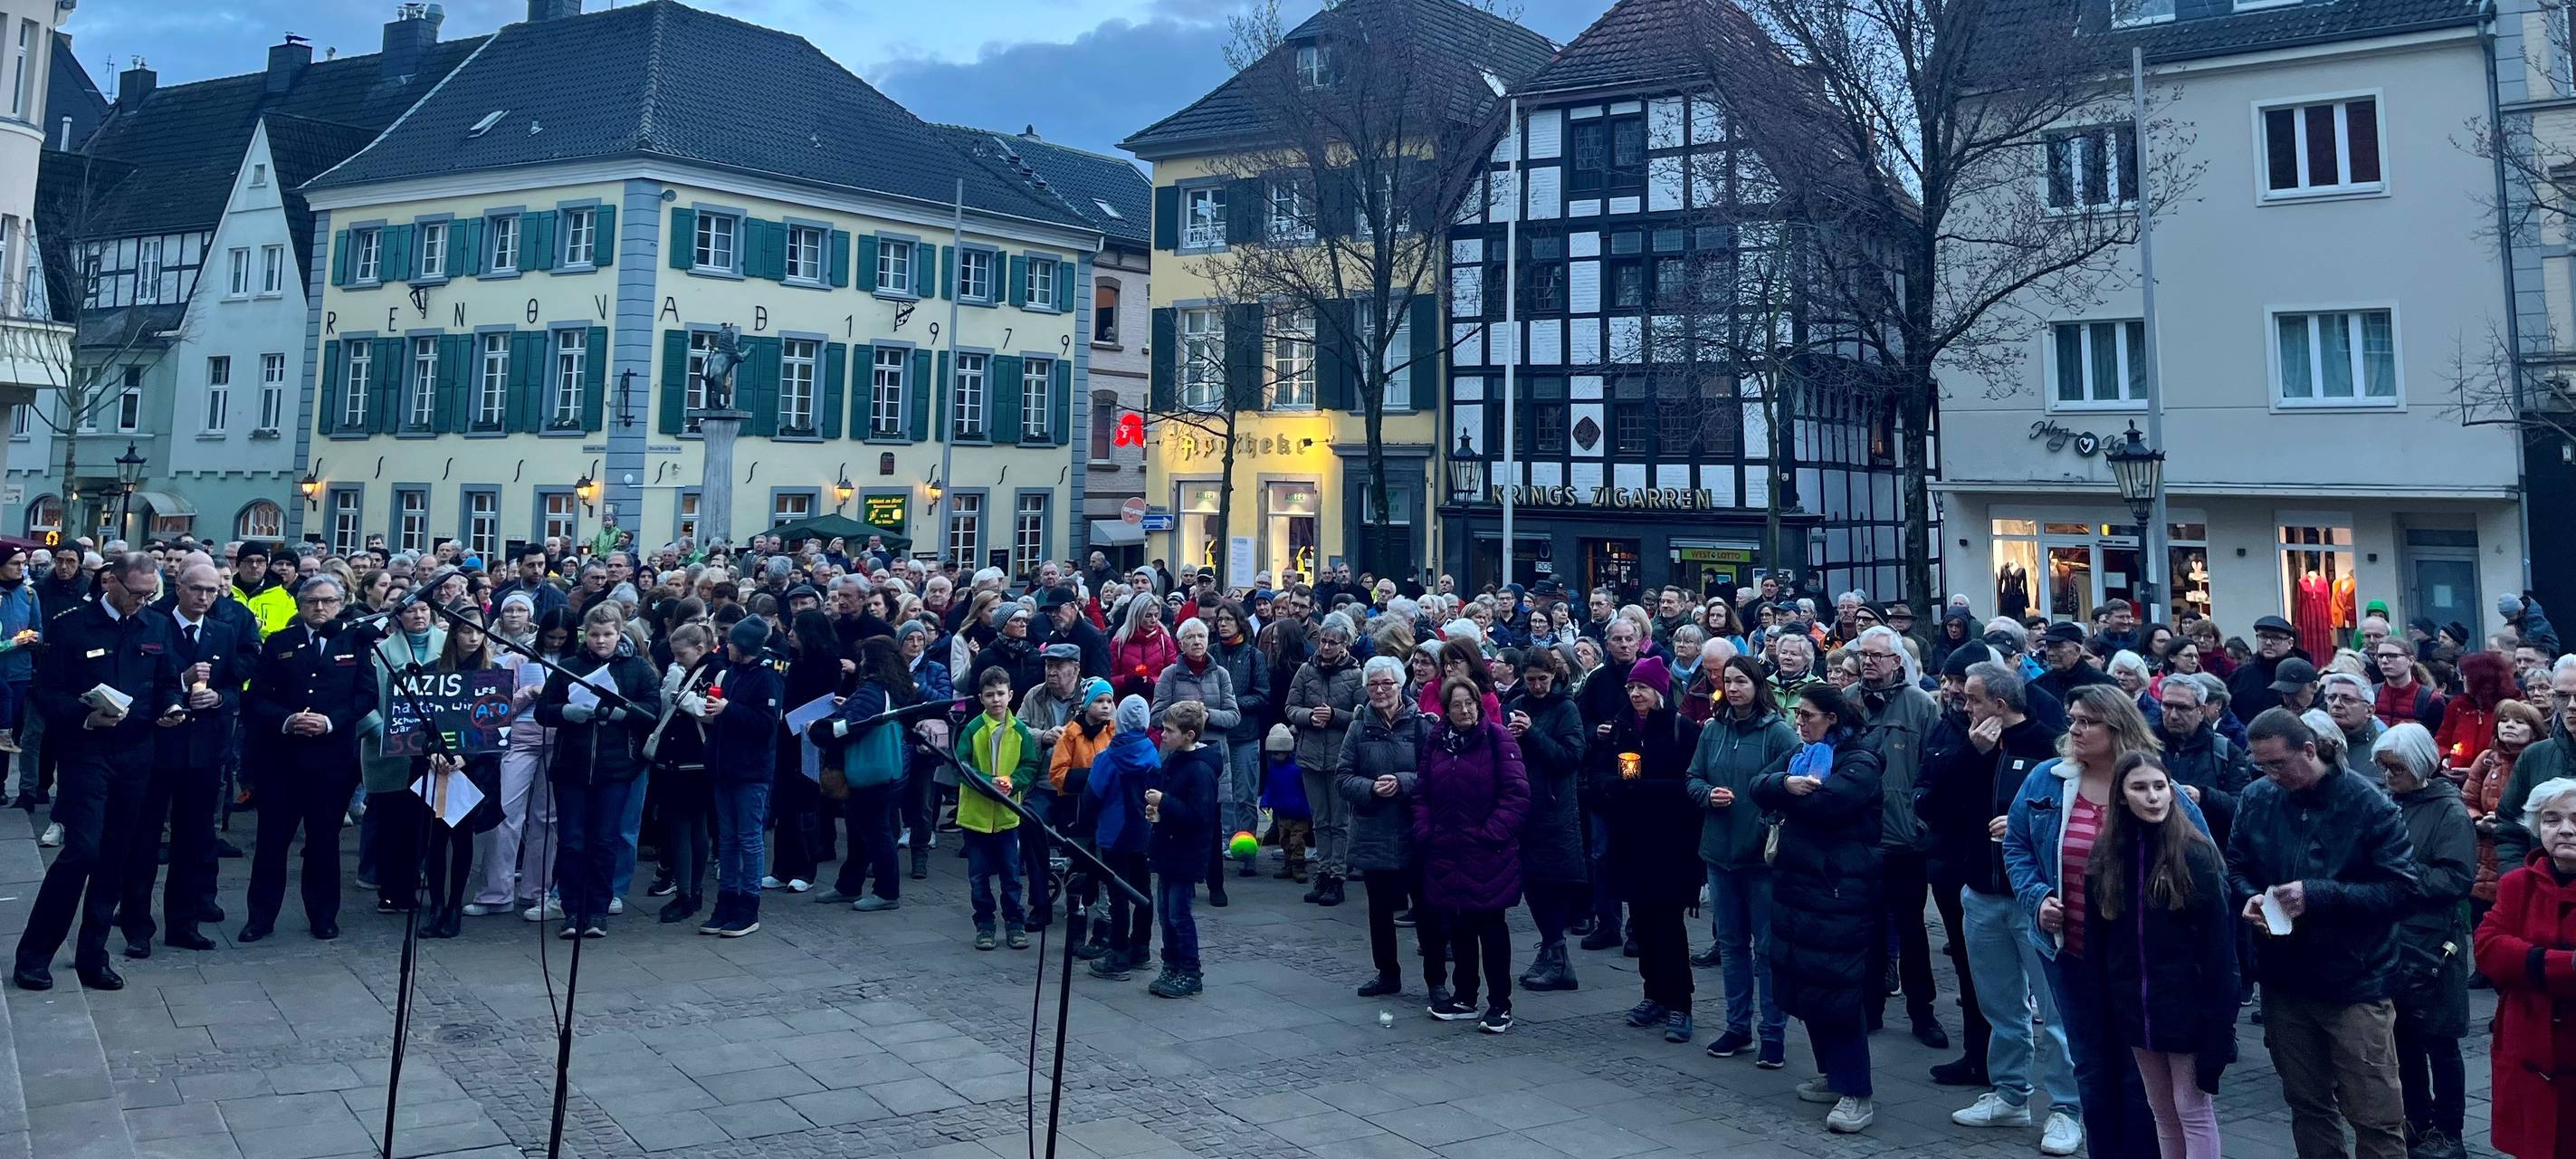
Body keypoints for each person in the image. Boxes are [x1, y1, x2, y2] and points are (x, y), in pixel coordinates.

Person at [2007, 685, 2211, 1159]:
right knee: (2092, 1069)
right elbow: (2017, 844)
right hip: (2070, 951)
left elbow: (2202, 857)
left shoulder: (2154, 784)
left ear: (2117, 728)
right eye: (2072, 719)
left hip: (2140, 960)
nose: (2074, 730)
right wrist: (2037, 897)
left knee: (2139, 1074)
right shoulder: (2047, 780)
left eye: (2087, 722)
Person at [2229, 708, 2416, 1159]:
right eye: (2261, 766)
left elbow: (2401, 890)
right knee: (2307, 1105)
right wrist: (2251, 898)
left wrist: (2318, 894)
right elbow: (2234, 865)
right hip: (2285, 978)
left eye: (2278, 764)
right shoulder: (2257, 798)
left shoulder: (2367, 802)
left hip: (2355, 981)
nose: (2270, 775)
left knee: (2376, 1115)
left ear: (2309, 751)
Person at [10, 553, 183, 991]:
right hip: (86, 752)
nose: (141, 602)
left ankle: (93, 954)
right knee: (81, 851)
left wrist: (171, 708)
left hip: (136, 752)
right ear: (112, 583)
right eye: (135, 594)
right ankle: (35, 954)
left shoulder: (156, 625)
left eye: (150, 595)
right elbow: (47, 691)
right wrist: (84, 718)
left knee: (114, 855)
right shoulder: (73, 625)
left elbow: (165, 681)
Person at [1929, 661, 2083, 1145]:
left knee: (2056, 1009)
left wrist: (2023, 828)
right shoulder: (1969, 742)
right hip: (1979, 890)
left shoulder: (2048, 746)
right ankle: (2011, 1094)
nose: (1961, 702)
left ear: (2000, 702)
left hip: (2034, 898)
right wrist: (1971, 754)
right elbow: (1932, 803)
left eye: (1972, 697)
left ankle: (2067, 1108)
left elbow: (2072, 817)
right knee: (1999, 1003)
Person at [2085, 753, 2239, 1159]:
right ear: (2120, 797)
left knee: (2192, 1109)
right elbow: (2100, 941)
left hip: (2187, 1007)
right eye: (2139, 787)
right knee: (2161, 1111)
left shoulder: (2195, 854)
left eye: (2160, 786)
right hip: (2135, 1005)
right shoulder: (2107, 857)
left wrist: (2220, 1026)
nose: (2153, 796)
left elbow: (2221, 951)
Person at [1752, 685, 1885, 1135]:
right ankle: (1833, 1075)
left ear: (1832, 717)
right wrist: (1783, 785)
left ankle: (1857, 1091)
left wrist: (1785, 794)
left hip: (1838, 892)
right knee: (1806, 984)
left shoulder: (1860, 760)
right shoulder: (1802, 755)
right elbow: (1758, 784)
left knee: (1838, 989)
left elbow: (1828, 804)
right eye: (1799, 715)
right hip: (1797, 887)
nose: (1800, 723)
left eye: (1808, 715)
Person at [119, 561, 253, 955]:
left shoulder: (222, 632)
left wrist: (221, 698)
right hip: (157, 746)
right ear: (179, 586)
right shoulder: (153, 621)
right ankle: (136, 926)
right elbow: (140, 680)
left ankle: (183, 923)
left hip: (204, 750)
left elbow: (233, 684)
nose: (205, 598)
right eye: (197, 590)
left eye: (213, 591)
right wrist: (180, 682)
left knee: (194, 840)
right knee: (144, 841)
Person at [239, 576, 375, 945]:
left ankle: (323, 916)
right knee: (271, 842)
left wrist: (330, 722)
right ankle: (261, 917)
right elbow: (258, 698)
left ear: (341, 603)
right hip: (282, 758)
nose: (319, 608)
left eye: (327, 601)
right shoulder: (280, 642)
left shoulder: (353, 642)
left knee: (323, 842)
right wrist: (287, 720)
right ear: (299, 604)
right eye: (312, 601)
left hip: (330, 760)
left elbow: (366, 696)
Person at [2361, 723, 2474, 1159]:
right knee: (2403, 1037)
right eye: (2384, 767)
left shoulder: (2449, 811)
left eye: (2396, 767)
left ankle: (2449, 1133)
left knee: (2440, 1042)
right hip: (2396, 938)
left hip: (2434, 944)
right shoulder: (2392, 801)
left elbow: (2456, 878)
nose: (2389, 775)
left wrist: (2397, 874)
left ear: (2421, 763)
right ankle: (2417, 1120)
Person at [1685, 654, 1798, 1065]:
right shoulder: (1713, 730)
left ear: (1757, 685)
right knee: (1731, 946)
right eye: (1728, 682)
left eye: (1741, 682)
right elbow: (1693, 777)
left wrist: (1766, 809)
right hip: (1719, 852)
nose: (1733, 689)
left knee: (1767, 950)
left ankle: (1773, 1033)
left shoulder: (1779, 734)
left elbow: (1792, 784)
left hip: (1761, 857)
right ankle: (1737, 1027)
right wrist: (1706, 795)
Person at [533, 604, 662, 939]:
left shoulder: (637, 668)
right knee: (573, 841)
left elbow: (652, 710)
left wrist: (624, 713)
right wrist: (566, 711)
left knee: (605, 840)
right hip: (572, 768)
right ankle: (572, 908)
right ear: (584, 636)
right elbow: (542, 712)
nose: (601, 640)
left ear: (619, 633)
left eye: (607, 634)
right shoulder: (570, 667)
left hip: (616, 767)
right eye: (594, 634)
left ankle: (598, 910)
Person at [1414, 677, 1530, 1032]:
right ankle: (1465, 995)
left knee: (1491, 928)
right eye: (1456, 705)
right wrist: (1425, 831)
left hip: (1487, 852)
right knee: (1459, 926)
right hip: (1446, 851)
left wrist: (1490, 832)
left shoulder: (1497, 739)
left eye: (1470, 704)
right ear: (1446, 710)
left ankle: (1500, 1004)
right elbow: (1422, 793)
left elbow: (1517, 795)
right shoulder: (1438, 742)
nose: (1464, 711)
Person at [2472, 774, 2576, 1157]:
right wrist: (2562, 964)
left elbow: (2506, 950)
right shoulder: (2518, 883)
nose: (2564, 830)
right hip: (2528, 1042)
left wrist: (2526, 961)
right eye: (2551, 819)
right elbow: (2488, 948)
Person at [1343, 655, 1440, 1000]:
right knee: (1379, 911)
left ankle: (1436, 979)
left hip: (1414, 830)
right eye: (1373, 684)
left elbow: (1436, 775)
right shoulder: (1358, 727)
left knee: (1427, 910)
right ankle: (1387, 973)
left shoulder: (1422, 726)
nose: (1380, 690)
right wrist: (1369, 788)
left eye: (1387, 684)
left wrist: (1402, 782)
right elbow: (1344, 777)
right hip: (1373, 829)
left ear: (1401, 686)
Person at [409, 608, 506, 939]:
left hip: (473, 769)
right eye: (466, 631)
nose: (473, 638)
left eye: (479, 632)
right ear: (454, 634)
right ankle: (436, 905)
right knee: (434, 840)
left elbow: (496, 728)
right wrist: (430, 751)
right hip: (435, 767)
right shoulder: (431, 671)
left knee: (462, 840)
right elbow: (413, 724)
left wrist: (467, 756)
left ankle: (454, 906)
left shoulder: (494, 672)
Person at [473, 606, 573, 920]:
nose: (555, 643)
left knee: (548, 820)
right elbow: (496, 709)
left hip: (557, 743)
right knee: (505, 814)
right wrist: (529, 693)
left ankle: (537, 890)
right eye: (550, 637)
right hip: (520, 740)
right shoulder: (519, 657)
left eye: (561, 638)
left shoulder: (573, 664)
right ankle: (496, 893)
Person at [816, 637, 917, 913]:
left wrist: (820, 726)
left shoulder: (872, 689)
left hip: (872, 771)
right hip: (888, 767)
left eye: (862, 658)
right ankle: (848, 885)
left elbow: (851, 725)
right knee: (863, 830)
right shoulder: (892, 686)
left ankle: (886, 891)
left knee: (875, 830)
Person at [1507, 650, 1587, 993]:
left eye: (1543, 679)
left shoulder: (1565, 707)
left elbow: (1571, 756)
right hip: (1524, 806)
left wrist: (1532, 735)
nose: (1538, 686)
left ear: (1554, 676)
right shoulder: (1518, 701)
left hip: (1554, 809)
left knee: (1551, 883)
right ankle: (1551, 951)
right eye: (1531, 680)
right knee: (1530, 883)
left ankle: (1557, 956)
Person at [361, 598, 445, 915]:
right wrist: (381, 730)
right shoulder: (379, 651)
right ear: (398, 617)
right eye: (411, 610)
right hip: (390, 750)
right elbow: (363, 698)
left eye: (424, 609)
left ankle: (429, 889)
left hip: (435, 753)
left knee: (428, 826)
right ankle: (392, 891)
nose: (419, 615)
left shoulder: (447, 646)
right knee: (393, 826)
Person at [1150, 617, 1242, 905]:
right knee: (1176, 817)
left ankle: (1216, 882)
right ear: (1180, 643)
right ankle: (1177, 876)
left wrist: (1202, 716)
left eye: (1201, 636)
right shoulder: (1169, 675)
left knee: (1211, 822)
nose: (1197, 642)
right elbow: (1156, 716)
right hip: (1178, 759)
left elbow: (1234, 715)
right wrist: (1181, 717)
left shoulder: (1221, 674)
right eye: (1190, 637)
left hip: (1212, 755)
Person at [702, 618, 784, 936]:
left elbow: (767, 725)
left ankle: (749, 906)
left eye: (731, 643)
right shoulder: (733, 672)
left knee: (750, 839)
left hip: (752, 771)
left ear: (745, 647)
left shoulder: (767, 678)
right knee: (727, 839)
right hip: (725, 769)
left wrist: (728, 709)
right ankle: (726, 901)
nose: (726, 647)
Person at [954, 666, 1037, 951]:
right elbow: (962, 766)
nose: (996, 700)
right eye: (990, 695)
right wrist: (989, 783)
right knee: (978, 876)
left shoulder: (1021, 731)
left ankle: (1015, 923)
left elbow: (1030, 765)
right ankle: (984, 924)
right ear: (981, 698)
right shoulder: (973, 729)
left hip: (1006, 816)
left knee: (1010, 875)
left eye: (1001, 693)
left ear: (1011, 694)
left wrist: (1013, 782)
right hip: (975, 817)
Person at [644, 622, 720, 924]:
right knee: (686, 828)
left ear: (699, 648)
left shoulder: (714, 671)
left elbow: (713, 712)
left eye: (681, 653)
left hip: (692, 761)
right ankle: (690, 891)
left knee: (685, 828)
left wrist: (685, 700)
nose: (676, 660)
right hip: (681, 760)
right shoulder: (693, 670)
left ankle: (688, 893)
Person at [1289, 614, 1364, 907]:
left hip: (1340, 756)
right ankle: (1322, 872)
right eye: (1323, 641)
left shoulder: (1356, 675)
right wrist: (1309, 716)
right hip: (1310, 754)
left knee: (1340, 821)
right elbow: (1291, 706)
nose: (1326, 647)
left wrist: (1334, 716)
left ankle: (1337, 876)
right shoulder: (1306, 672)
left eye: (1333, 642)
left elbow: (1361, 714)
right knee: (1320, 820)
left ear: (1345, 645)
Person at [1146, 700, 1220, 998]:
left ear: (1189, 735)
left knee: (1179, 914)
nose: (1162, 735)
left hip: (1187, 853)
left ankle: (1190, 970)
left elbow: (1199, 817)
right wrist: (1159, 814)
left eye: (1169, 730)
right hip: (1168, 848)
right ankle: (1171, 964)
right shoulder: (1174, 759)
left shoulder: (1201, 770)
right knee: (1165, 914)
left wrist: (1164, 802)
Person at [1083, 695, 1160, 982]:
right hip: (1142, 832)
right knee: (1143, 890)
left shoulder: (1107, 759)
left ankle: (1117, 953)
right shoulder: (1152, 753)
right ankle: (1141, 947)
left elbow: (1092, 798)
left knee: (1117, 895)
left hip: (1113, 834)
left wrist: (1085, 824)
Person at [2464, 699, 2543, 924]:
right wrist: (2478, 820)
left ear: (2535, 731)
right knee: (2484, 925)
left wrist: (2508, 826)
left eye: (2519, 722)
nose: (2509, 726)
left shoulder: (2539, 761)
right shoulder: (2487, 759)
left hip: (2523, 853)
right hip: (2484, 857)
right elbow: (2466, 800)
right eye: (2504, 720)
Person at [2228, 616, 2306, 720]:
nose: (2268, 643)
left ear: (2290, 643)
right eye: (2263, 636)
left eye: (2276, 638)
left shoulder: (2300, 673)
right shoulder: (2242, 674)